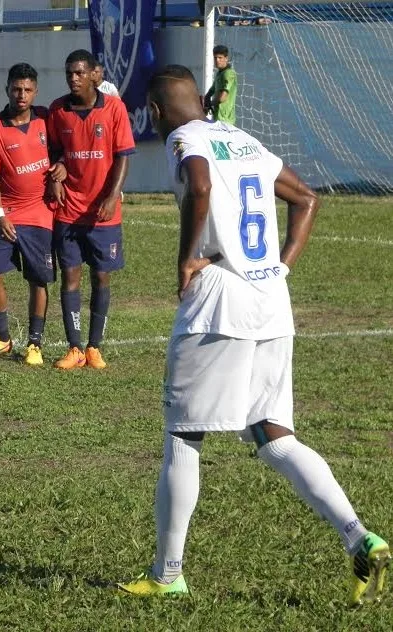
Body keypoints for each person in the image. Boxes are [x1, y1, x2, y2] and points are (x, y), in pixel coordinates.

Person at [117, 65, 390, 605]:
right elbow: (307, 198)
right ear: (200, 96)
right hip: (271, 301)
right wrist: (279, 267)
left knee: (182, 436)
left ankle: (168, 573)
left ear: (154, 111)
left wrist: (186, 260)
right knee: (273, 435)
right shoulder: (243, 138)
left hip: (220, 299)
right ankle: (360, 536)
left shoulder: (183, 138)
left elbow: (198, 185)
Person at [46, 49, 135, 370]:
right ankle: (74, 347)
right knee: (70, 276)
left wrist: (112, 196)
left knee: (101, 276)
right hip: (68, 209)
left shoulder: (113, 108)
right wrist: (58, 168)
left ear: (95, 75)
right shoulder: (58, 110)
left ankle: (95, 346)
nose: (74, 78)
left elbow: (124, 154)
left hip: (102, 212)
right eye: (70, 72)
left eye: (80, 72)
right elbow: (55, 148)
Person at [0, 63, 55, 366]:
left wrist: (59, 169)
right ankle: (2, 338)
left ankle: (34, 344)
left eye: (27, 90)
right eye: (16, 89)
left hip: (40, 213)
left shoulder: (46, 119)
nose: (21, 95)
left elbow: (62, 152)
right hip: (6, 211)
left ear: (35, 92)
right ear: (7, 89)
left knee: (38, 279)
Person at [204, 45, 237, 125]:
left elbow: (222, 98)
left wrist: (210, 104)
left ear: (226, 58)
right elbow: (210, 92)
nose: (217, 60)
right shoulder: (219, 74)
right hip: (217, 119)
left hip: (226, 121)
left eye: (220, 58)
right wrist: (205, 102)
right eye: (215, 58)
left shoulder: (229, 74)